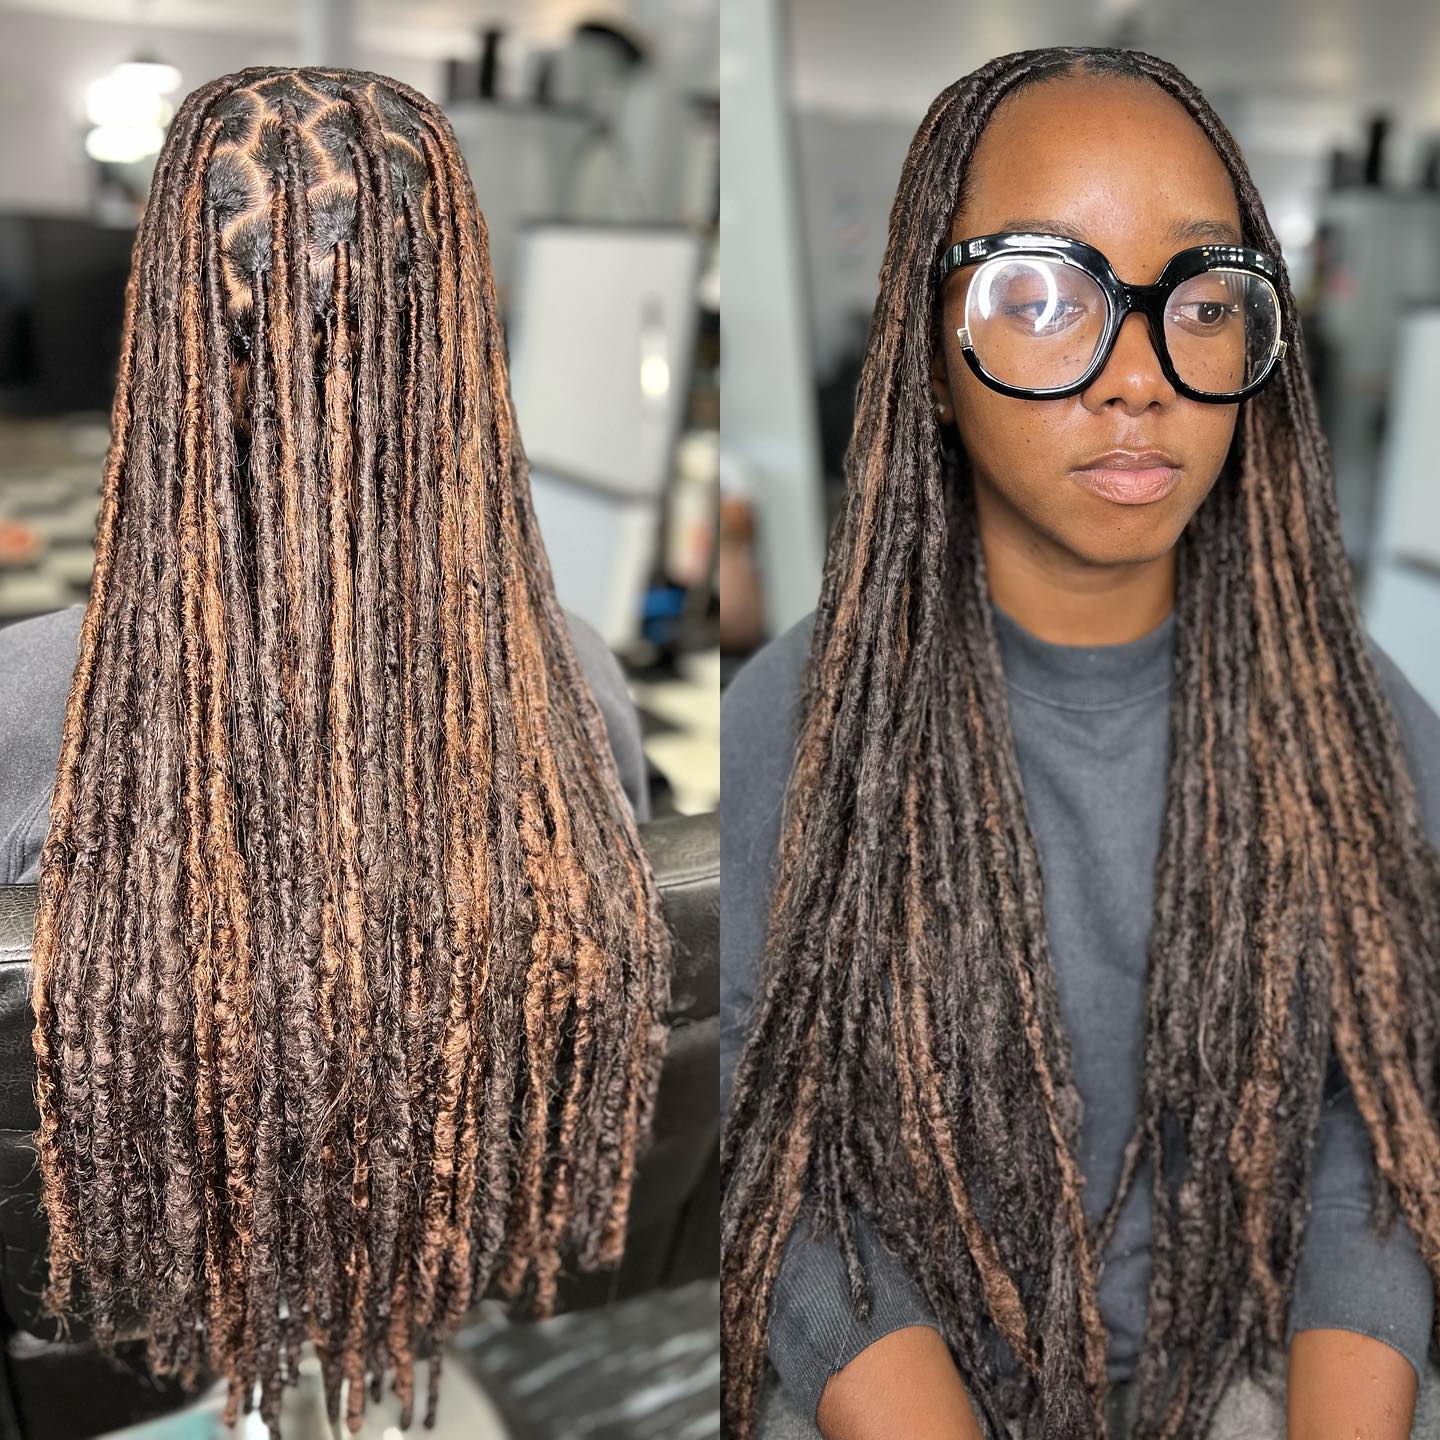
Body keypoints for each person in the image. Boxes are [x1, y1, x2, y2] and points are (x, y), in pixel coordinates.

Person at [720, 45, 1440, 1440]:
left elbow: (1381, 1126)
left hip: (1260, 1361)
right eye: (1043, 296)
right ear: (932, 358)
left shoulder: (1352, 718)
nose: (1140, 376)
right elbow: (796, 1177)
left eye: (1204, 300)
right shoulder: (801, 722)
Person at [4, 65, 671, 1438]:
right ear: (458, 335)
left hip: (154, 1294)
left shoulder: (25, 700)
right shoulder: (577, 682)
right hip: (454, 1250)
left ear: (165, 325)